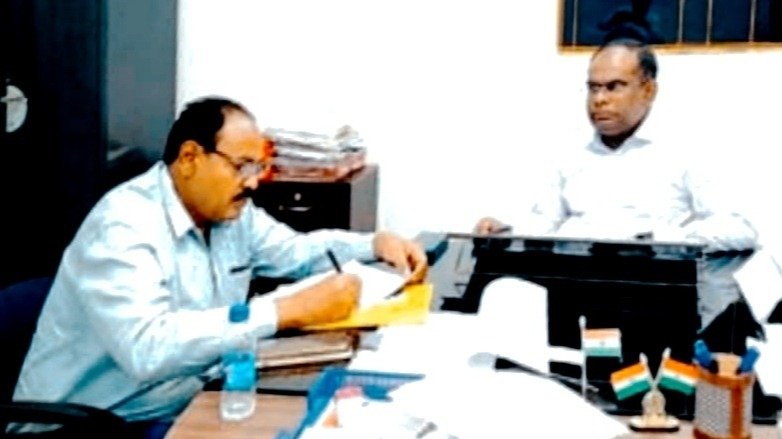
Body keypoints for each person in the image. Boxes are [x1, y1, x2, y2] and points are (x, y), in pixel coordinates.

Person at [10, 97, 427, 437]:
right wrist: (284, 311)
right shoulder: (123, 226)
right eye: (242, 166)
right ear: (190, 157)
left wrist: (374, 243)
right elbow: (148, 350)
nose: (253, 182)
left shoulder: (229, 214)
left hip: (183, 400)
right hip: (92, 424)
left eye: (258, 167)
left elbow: (295, 251)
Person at [475, 37, 756, 251]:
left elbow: (739, 229)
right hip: (572, 282)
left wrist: (659, 240)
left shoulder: (683, 152)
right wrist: (505, 231)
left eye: (614, 87)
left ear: (649, 90)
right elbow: (544, 222)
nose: (599, 99)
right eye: (593, 88)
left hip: (651, 286)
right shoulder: (570, 153)